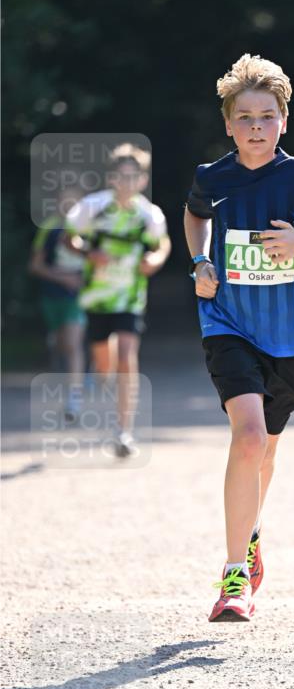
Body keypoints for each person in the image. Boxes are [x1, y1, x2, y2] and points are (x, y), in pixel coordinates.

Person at [184, 53, 294, 623]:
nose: (255, 126)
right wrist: (200, 262)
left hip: (288, 336)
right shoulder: (214, 177)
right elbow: (195, 215)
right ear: (229, 123)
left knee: (267, 449)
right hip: (228, 322)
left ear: (283, 120)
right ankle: (235, 578)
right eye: (244, 116)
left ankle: (250, 532)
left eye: (266, 115)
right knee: (249, 438)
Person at [65, 143, 171, 457]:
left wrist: (155, 260)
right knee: (105, 365)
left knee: (127, 358)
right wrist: (88, 252)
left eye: (132, 177)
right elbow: (68, 238)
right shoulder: (91, 207)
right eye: (120, 176)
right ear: (111, 178)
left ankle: (123, 432)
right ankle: (100, 393)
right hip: (97, 299)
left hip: (130, 298)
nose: (126, 183)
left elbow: (162, 245)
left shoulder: (148, 214)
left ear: (142, 180)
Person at [28, 184, 87, 421]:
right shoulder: (49, 229)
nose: (70, 207)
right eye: (65, 202)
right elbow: (35, 266)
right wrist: (64, 278)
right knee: (62, 344)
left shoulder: (89, 229)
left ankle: (74, 397)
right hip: (52, 296)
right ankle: (58, 352)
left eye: (74, 203)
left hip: (78, 298)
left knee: (73, 344)